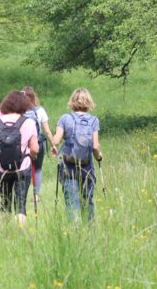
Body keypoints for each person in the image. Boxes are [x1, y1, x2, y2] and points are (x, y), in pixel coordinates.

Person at [0, 90, 38, 226]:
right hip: (22, 168)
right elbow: (35, 149)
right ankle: (20, 233)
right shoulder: (29, 122)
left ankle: (6, 234)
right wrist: (31, 156)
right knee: (21, 206)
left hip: (2, 169)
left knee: (5, 204)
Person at [51, 88, 103, 223]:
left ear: (72, 101)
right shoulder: (93, 121)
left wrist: (54, 143)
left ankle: (75, 233)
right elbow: (96, 146)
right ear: (89, 102)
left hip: (68, 167)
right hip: (87, 167)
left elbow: (56, 140)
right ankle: (89, 230)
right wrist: (99, 157)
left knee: (72, 203)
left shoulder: (65, 118)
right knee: (88, 201)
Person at [22, 87, 53, 201]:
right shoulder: (40, 110)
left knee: (23, 169)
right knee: (38, 169)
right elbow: (46, 130)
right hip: (38, 143)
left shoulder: (18, 111)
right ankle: (36, 194)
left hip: (23, 144)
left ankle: (22, 193)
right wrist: (53, 143)